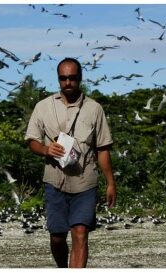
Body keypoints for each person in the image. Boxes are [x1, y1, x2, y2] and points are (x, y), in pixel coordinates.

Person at [25, 57, 116, 268]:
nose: (68, 82)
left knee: (80, 232)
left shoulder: (95, 109)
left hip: (85, 180)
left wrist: (110, 183)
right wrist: (46, 150)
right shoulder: (43, 107)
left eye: (72, 78)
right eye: (63, 78)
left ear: (80, 78)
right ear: (58, 79)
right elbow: (31, 141)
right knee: (57, 236)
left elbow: (102, 148)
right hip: (54, 181)